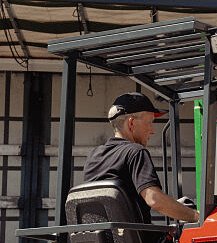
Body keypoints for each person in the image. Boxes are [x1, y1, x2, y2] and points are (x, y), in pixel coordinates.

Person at [81, 92, 200, 225]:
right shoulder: (136, 152)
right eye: (149, 123)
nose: (152, 130)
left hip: (101, 242)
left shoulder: (93, 156)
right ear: (131, 123)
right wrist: (195, 216)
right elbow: (154, 199)